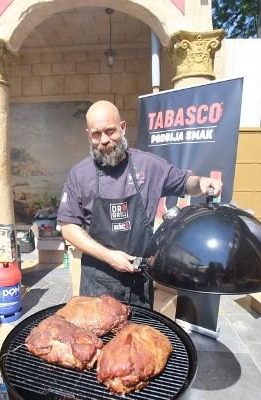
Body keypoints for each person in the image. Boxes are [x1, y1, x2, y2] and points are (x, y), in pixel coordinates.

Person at [57, 100, 222, 308]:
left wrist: (202, 182)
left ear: (123, 128)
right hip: (97, 284)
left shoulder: (149, 165)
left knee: (138, 339)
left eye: (110, 131)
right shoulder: (79, 175)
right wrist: (109, 256)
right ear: (88, 135)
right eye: (96, 134)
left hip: (139, 281)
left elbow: (184, 183)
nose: (105, 140)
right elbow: (68, 227)